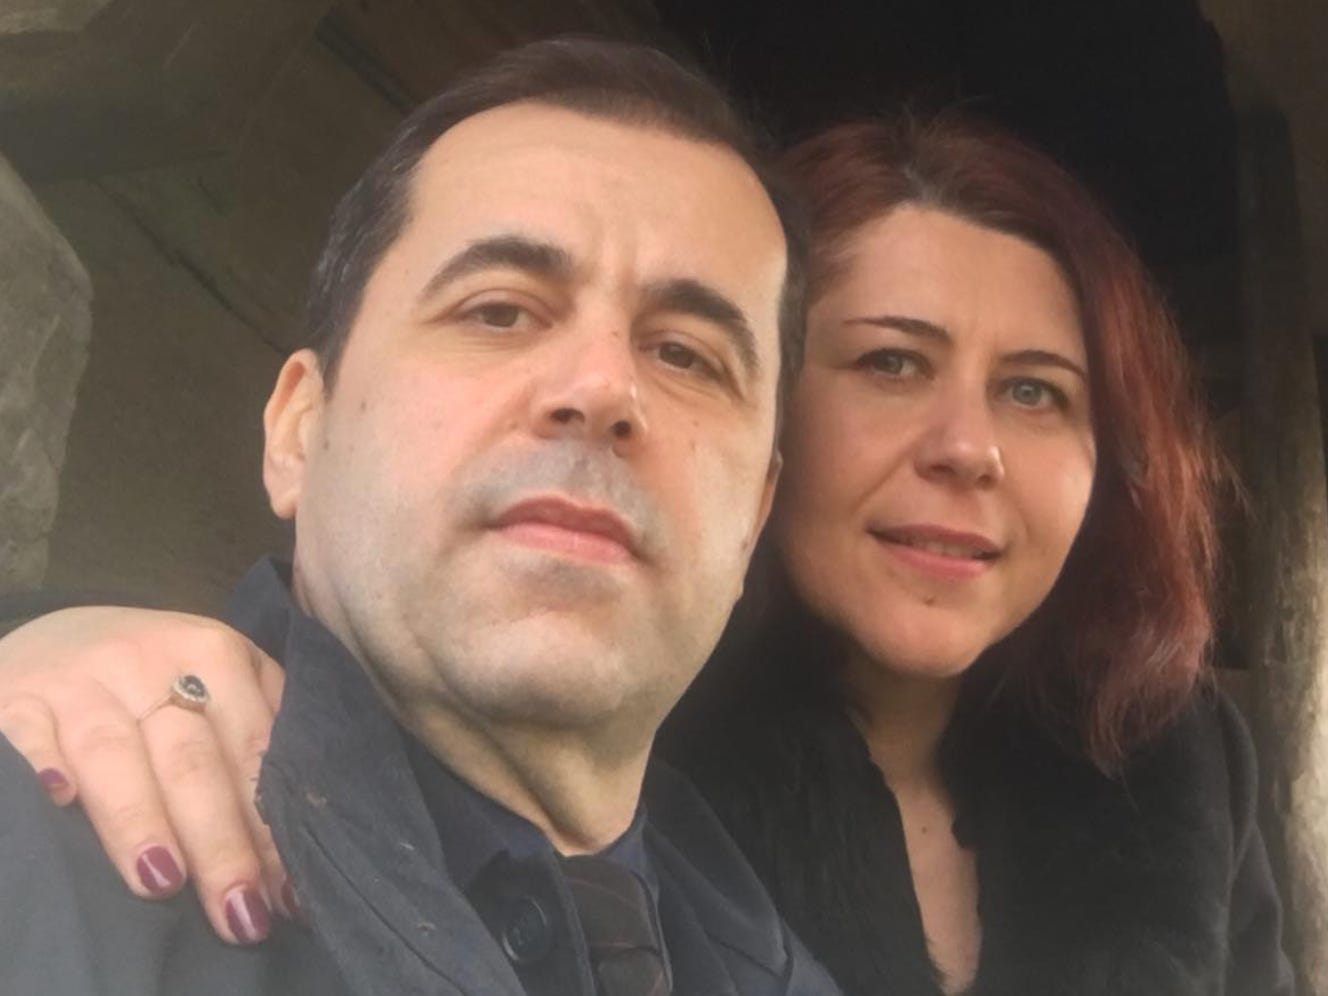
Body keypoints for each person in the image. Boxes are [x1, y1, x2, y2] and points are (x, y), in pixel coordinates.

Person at [0, 114, 1294, 996]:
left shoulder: (1172, 765)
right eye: (892, 363)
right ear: (763, 425)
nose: (971, 449)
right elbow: (338, 641)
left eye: (1037, 392)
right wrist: (49, 634)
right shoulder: (603, 708)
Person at [0, 36, 842, 996]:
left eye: (687, 355)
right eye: (498, 311)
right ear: (298, 431)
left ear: (755, 517)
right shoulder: (34, 830)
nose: (603, 387)